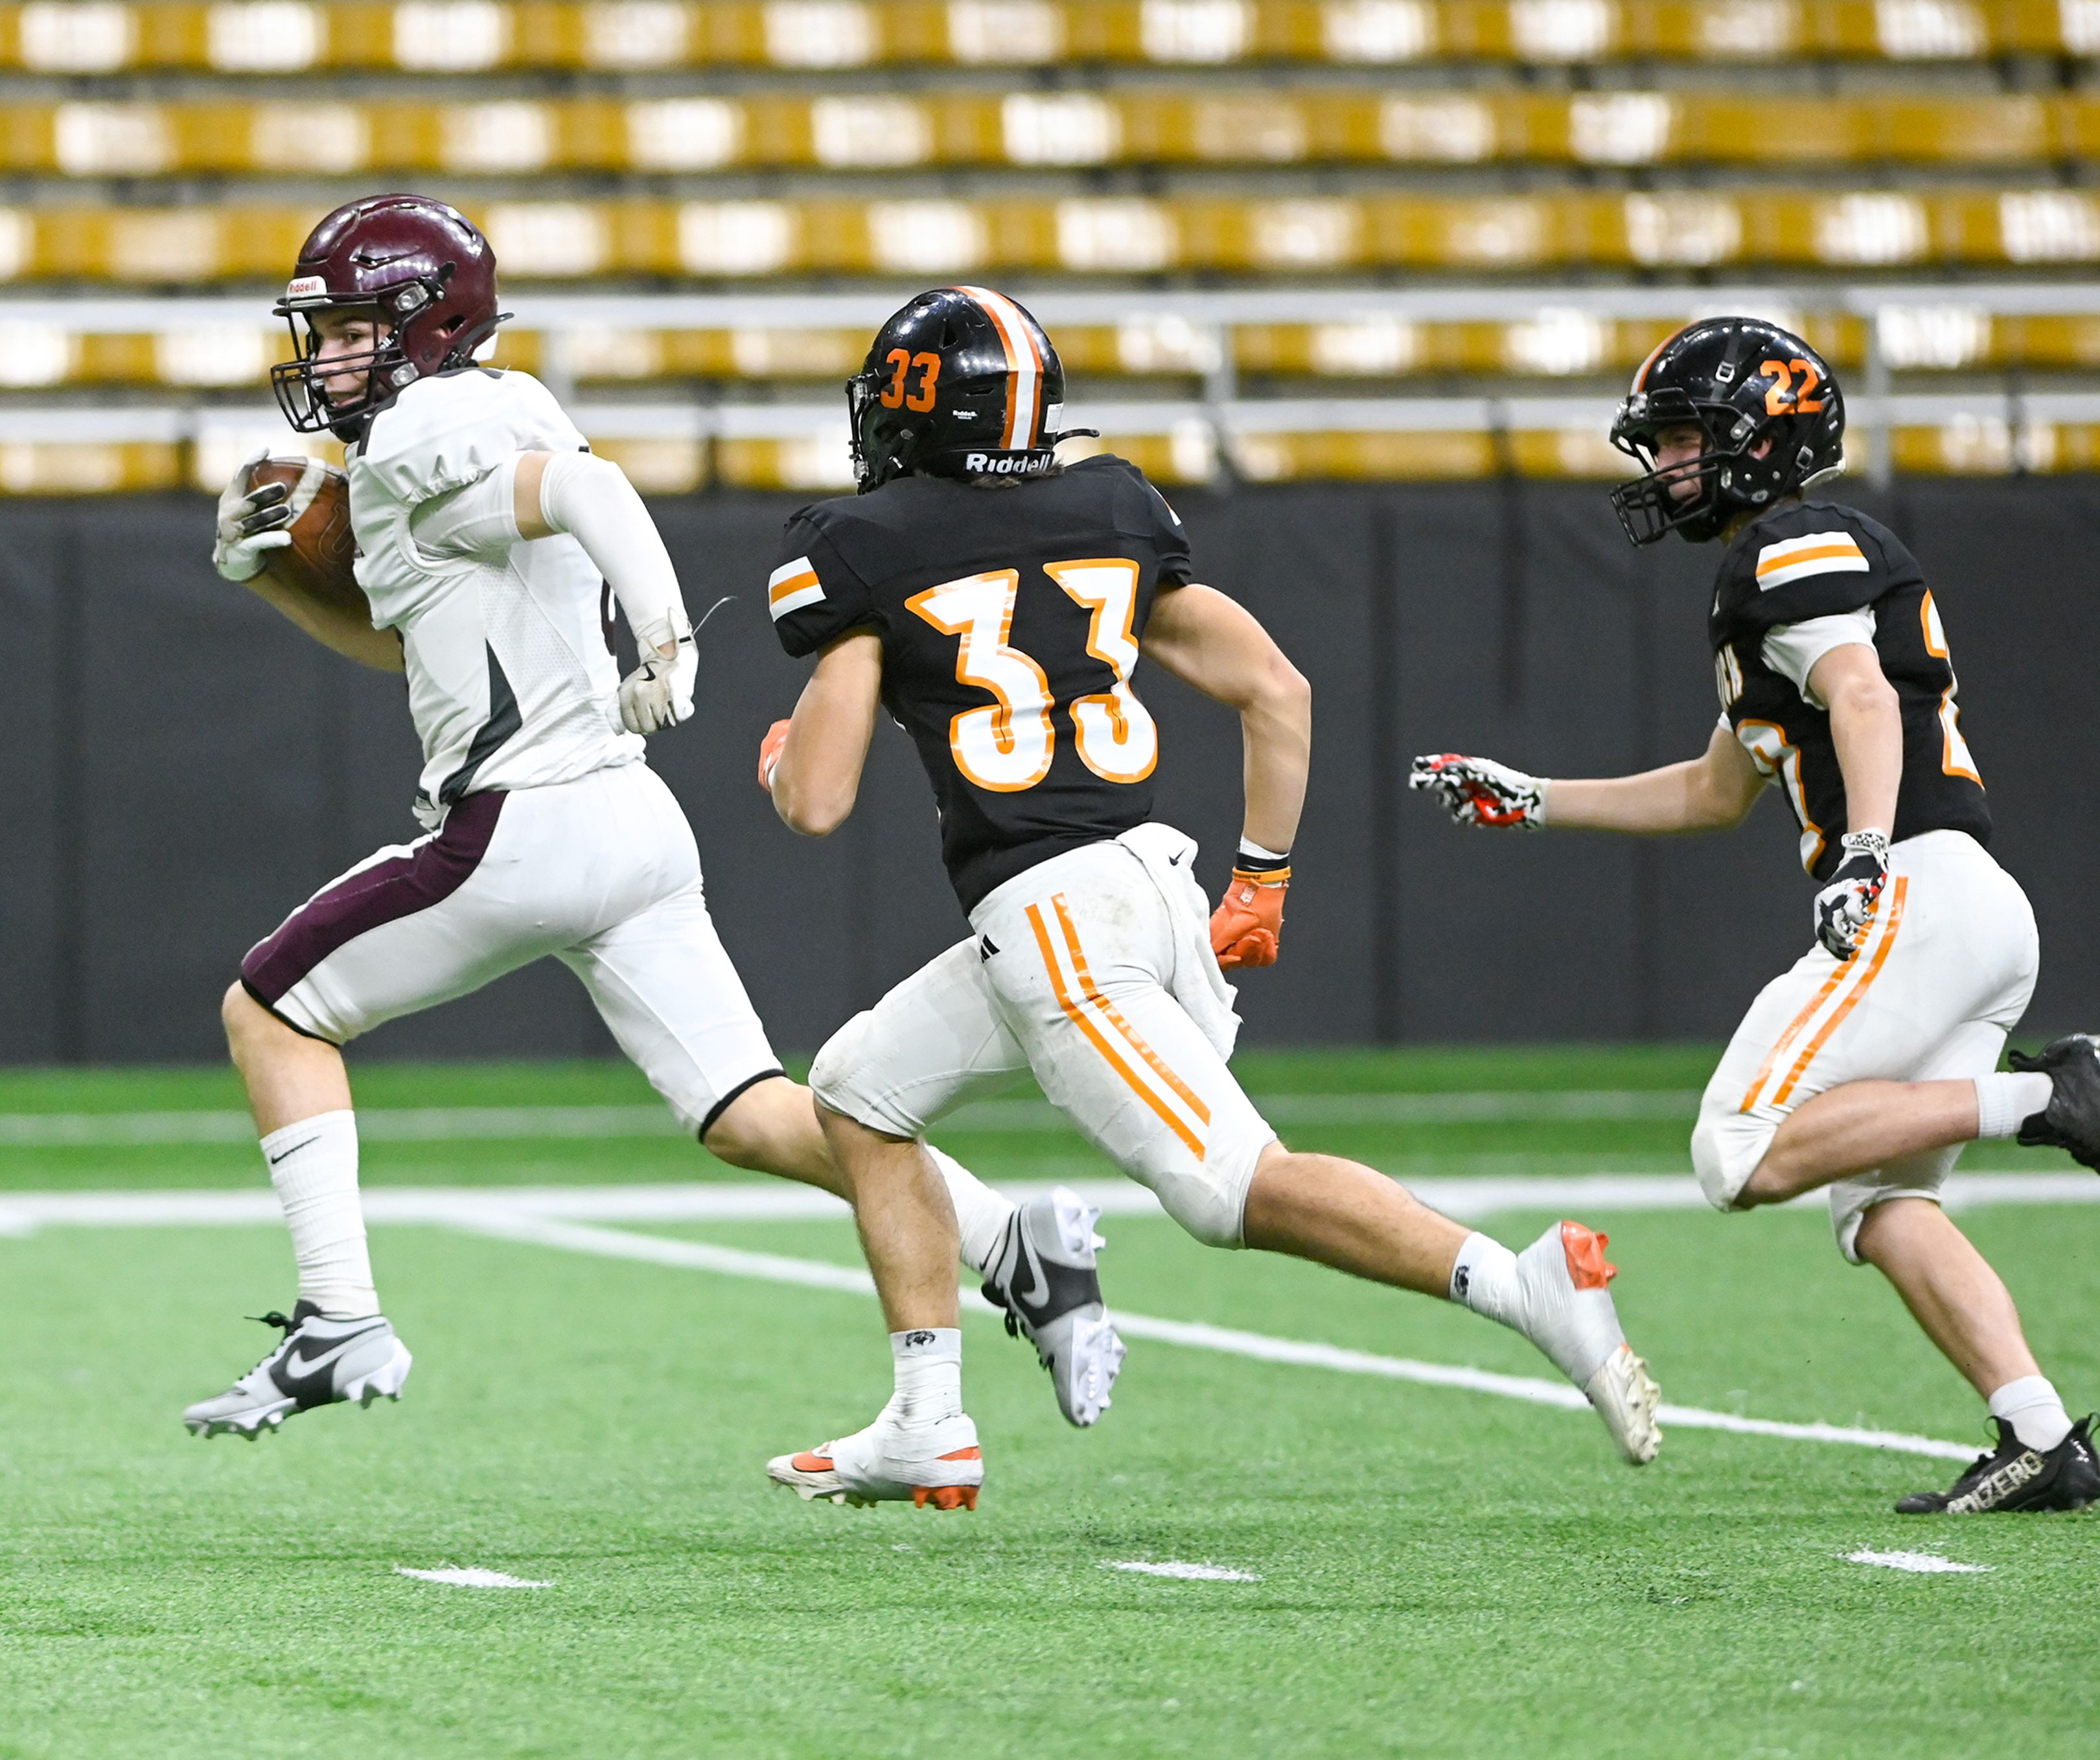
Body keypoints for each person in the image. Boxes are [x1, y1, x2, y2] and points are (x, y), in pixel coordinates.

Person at [182, 196, 1122, 1439]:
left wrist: (668, 636)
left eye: (354, 328)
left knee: (271, 1008)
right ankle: (1020, 1240)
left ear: (420, 327)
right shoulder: (473, 415)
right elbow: (415, 634)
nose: (330, 356)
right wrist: (274, 582)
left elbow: (591, 490)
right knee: (751, 1110)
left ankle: (339, 1314)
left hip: (525, 825)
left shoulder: (425, 425)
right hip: (626, 823)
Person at [753, 286, 1661, 1511]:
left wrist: (775, 757)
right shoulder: (1114, 504)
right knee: (858, 1089)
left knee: (1237, 1190)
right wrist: (1265, 878)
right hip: (1151, 884)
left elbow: (813, 802)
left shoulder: (863, 544)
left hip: (1054, 918)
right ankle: (927, 1419)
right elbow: (1277, 688)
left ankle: (1523, 1284)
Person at [1409, 316, 2100, 1514]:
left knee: (1733, 1149)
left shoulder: (1789, 543)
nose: (1664, 466)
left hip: (1921, 883)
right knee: (1885, 1205)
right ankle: (2041, 1436)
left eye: (1681, 440)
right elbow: (1716, 790)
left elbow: (1863, 697)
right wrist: (1534, 801)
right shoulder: (1787, 561)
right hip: (1966, 899)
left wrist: (1866, 854)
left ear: (1757, 437)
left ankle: (2057, 1095)